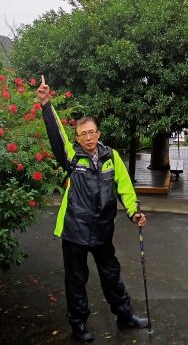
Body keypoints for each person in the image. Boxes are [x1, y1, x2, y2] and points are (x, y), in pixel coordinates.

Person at [37, 75, 149, 343]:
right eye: (82, 134)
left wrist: (134, 211)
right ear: (77, 137)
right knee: (76, 280)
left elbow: (125, 187)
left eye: (91, 132)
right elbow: (56, 134)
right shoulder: (72, 157)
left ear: (98, 134)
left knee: (111, 274)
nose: (87, 137)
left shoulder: (112, 157)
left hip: (102, 229)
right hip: (75, 229)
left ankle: (126, 315)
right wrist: (46, 104)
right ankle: (79, 324)